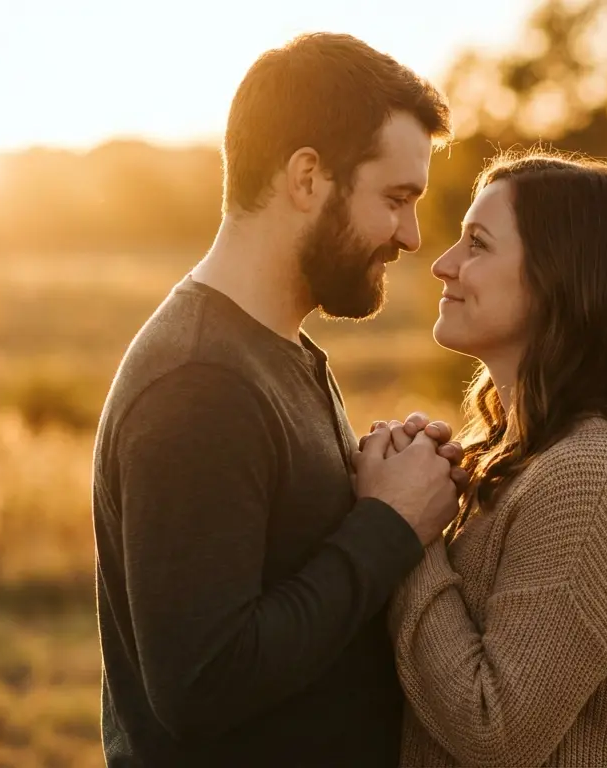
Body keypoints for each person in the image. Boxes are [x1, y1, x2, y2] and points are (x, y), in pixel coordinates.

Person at [89, 33, 467, 766]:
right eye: (396, 198)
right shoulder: (200, 386)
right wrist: (388, 526)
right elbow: (204, 683)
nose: (412, 236)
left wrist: (375, 492)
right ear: (306, 179)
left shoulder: (276, 352)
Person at [365, 151, 607, 767]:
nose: (443, 264)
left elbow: (496, 731)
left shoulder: (593, 475)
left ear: (559, 277)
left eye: (477, 244)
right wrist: (418, 483)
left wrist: (408, 532)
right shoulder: (516, 454)